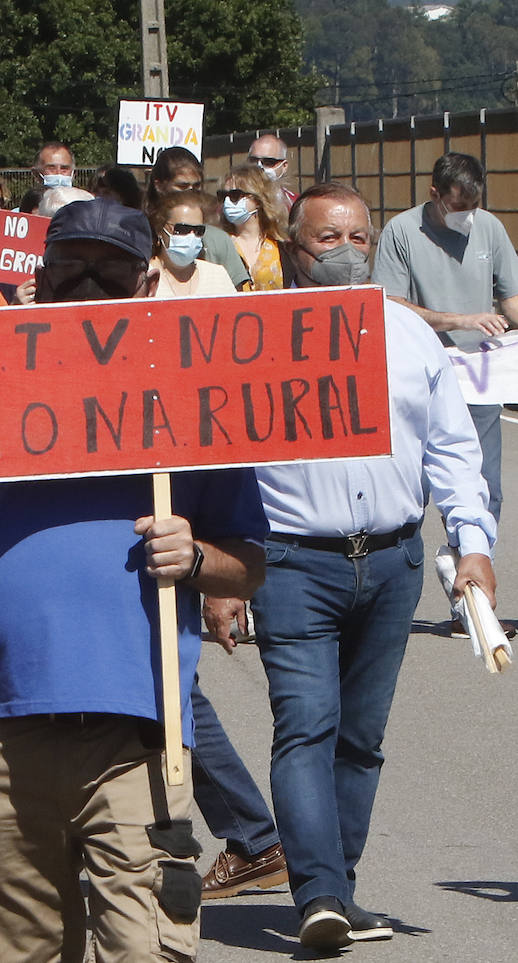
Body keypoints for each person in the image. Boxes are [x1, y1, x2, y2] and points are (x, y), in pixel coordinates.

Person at [0, 198, 268, 962]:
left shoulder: (192, 400)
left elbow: (249, 563)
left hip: (139, 737)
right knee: (15, 951)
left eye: (111, 268)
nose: (90, 283)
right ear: (41, 273)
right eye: (72, 266)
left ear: (145, 282)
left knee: (147, 947)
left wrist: (195, 558)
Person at [205, 182, 498, 952]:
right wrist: (223, 572)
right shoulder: (253, 337)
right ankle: (319, 894)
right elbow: (220, 461)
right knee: (306, 726)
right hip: (294, 563)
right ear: (292, 249)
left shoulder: (409, 337)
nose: (344, 251)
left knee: (361, 738)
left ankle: (342, 882)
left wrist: (473, 543)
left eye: (357, 237)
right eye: (325, 239)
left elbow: (453, 450)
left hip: (394, 559)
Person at [146, 190, 288, 899]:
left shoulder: (213, 285)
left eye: (196, 231)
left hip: (175, 516)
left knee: (171, 683)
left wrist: (219, 572)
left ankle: (255, 836)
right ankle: (252, 834)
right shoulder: (131, 294)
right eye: (177, 230)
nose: (188, 240)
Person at [372, 152, 518, 633]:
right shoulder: (401, 233)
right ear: (434, 194)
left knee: (483, 485)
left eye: (474, 206)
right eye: (458, 206)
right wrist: (460, 319)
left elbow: (510, 297)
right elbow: (389, 304)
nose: (467, 216)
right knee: (417, 485)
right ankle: (392, 591)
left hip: (480, 376)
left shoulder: (490, 230)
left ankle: (471, 594)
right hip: (422, 374)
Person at [145, 147, 250, 290]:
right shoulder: (139, 237)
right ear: (159, 186)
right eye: (182, 186)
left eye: (196, 186)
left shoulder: (218, 241)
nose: (190, 193)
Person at [148, 191, 237, 298]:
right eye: (182, 229)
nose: (191, 236)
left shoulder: (217, 275)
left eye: (198, 230)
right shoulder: (144, 277)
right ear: (159, 229)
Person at [218, 164, 291, 290]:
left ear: (257, 199)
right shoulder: (218, 245)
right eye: (223, 196)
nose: (227, 202)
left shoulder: (284, 248)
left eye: (235, 195)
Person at [247, 133, 298, 207]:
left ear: (284, 166)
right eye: (253, 161)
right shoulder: (235, 202)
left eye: (268, 162)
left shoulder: (295, 204)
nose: (259, 167)